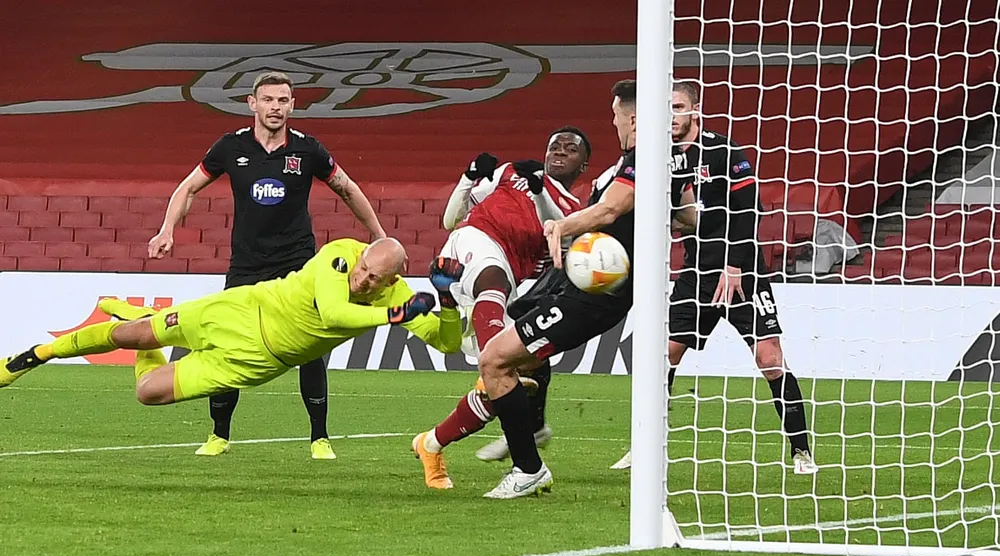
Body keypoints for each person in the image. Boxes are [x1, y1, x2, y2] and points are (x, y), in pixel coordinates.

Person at [0, 239, 466, 441]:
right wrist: (393, 314)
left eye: (374, 278)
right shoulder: (340, 255)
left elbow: (447, 344)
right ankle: (35, 355)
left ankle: (146, 319)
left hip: (258, 363)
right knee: (131, 332)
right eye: (365, 268)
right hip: (239, 312)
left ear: (393, 280)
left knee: (147, 392)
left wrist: (445, 302)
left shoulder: (397, 295)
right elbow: (332, 311)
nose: (363, 279)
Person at [147, 71, 387, 460]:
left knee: (310, 348)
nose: (276, 107)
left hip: (297, 266)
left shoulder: (308, 151)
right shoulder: (230, 147)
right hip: (247, 265)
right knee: (227, 346)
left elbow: (347, 187)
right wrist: (167, 230)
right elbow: (188, 186)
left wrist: (378, 236)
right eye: (269, 100)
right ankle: (218, 434)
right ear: (252, 104)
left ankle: (319, 438)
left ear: (293, 105)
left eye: (283, 100)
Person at [608, 81, 818, 476]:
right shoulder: (657, 156)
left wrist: (735, 265)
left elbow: (748, 211)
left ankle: (801, 452)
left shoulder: (723, 150)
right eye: (666, 107)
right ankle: (645, 446)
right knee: (662, 356)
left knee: (769, 359)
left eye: (679, 106)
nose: (672, 115)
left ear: (695, 110)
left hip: (743, 271)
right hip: (696, 271)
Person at [410, 128, 590, 489]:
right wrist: (469, 176)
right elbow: (450, 219)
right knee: (493, 283)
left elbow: (558, 229)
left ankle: (431, 443)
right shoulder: (511, 173)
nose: (560, 150)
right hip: (472, 244)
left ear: (583, 165)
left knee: (503, 385)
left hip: (494, 290)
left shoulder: (576, 212)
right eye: (555, 144)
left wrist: (539, 191)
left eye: (571, 149)